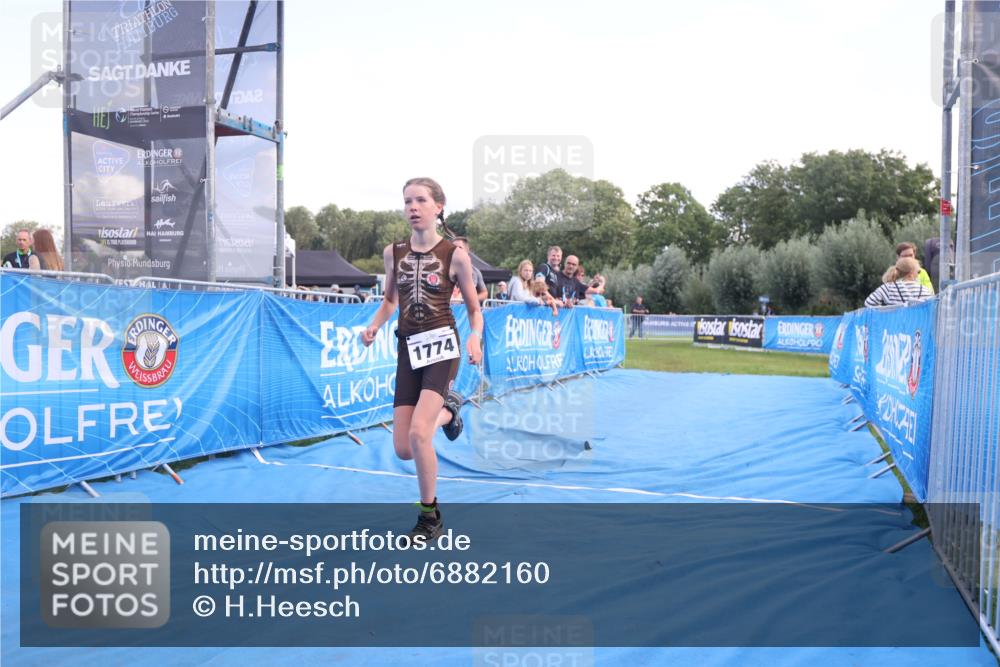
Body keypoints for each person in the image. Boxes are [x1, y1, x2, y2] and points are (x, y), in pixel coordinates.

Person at [361, 177, 483, 542]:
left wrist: (475, 337)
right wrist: (374, 326)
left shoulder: (455, 255)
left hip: (443, 348)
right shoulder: (392, 252)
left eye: (421, 201)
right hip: (408, 349)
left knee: (419, 433)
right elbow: (389, 301)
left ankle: (430, 517)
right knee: (403, 448)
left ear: (438, 207)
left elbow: (476, 310)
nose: (413, 207)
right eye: (407, 201)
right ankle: (450, 409)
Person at [865, 257, 934, 307]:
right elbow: (931, 309)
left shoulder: (888, 288)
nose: (918, 274)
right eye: (918, 272)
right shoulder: (924, 290)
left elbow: (869, 303)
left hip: (893, 325)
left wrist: (884, 312)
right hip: (917, 326)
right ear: (911, 273)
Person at [450, 237, 488, 303]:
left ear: (467, 250)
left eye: (459, 247)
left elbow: (484, 293)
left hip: (465, 310)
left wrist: (471, 300)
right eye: (453, 248)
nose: (456, 250)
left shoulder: (475, 272)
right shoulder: (442, 270)